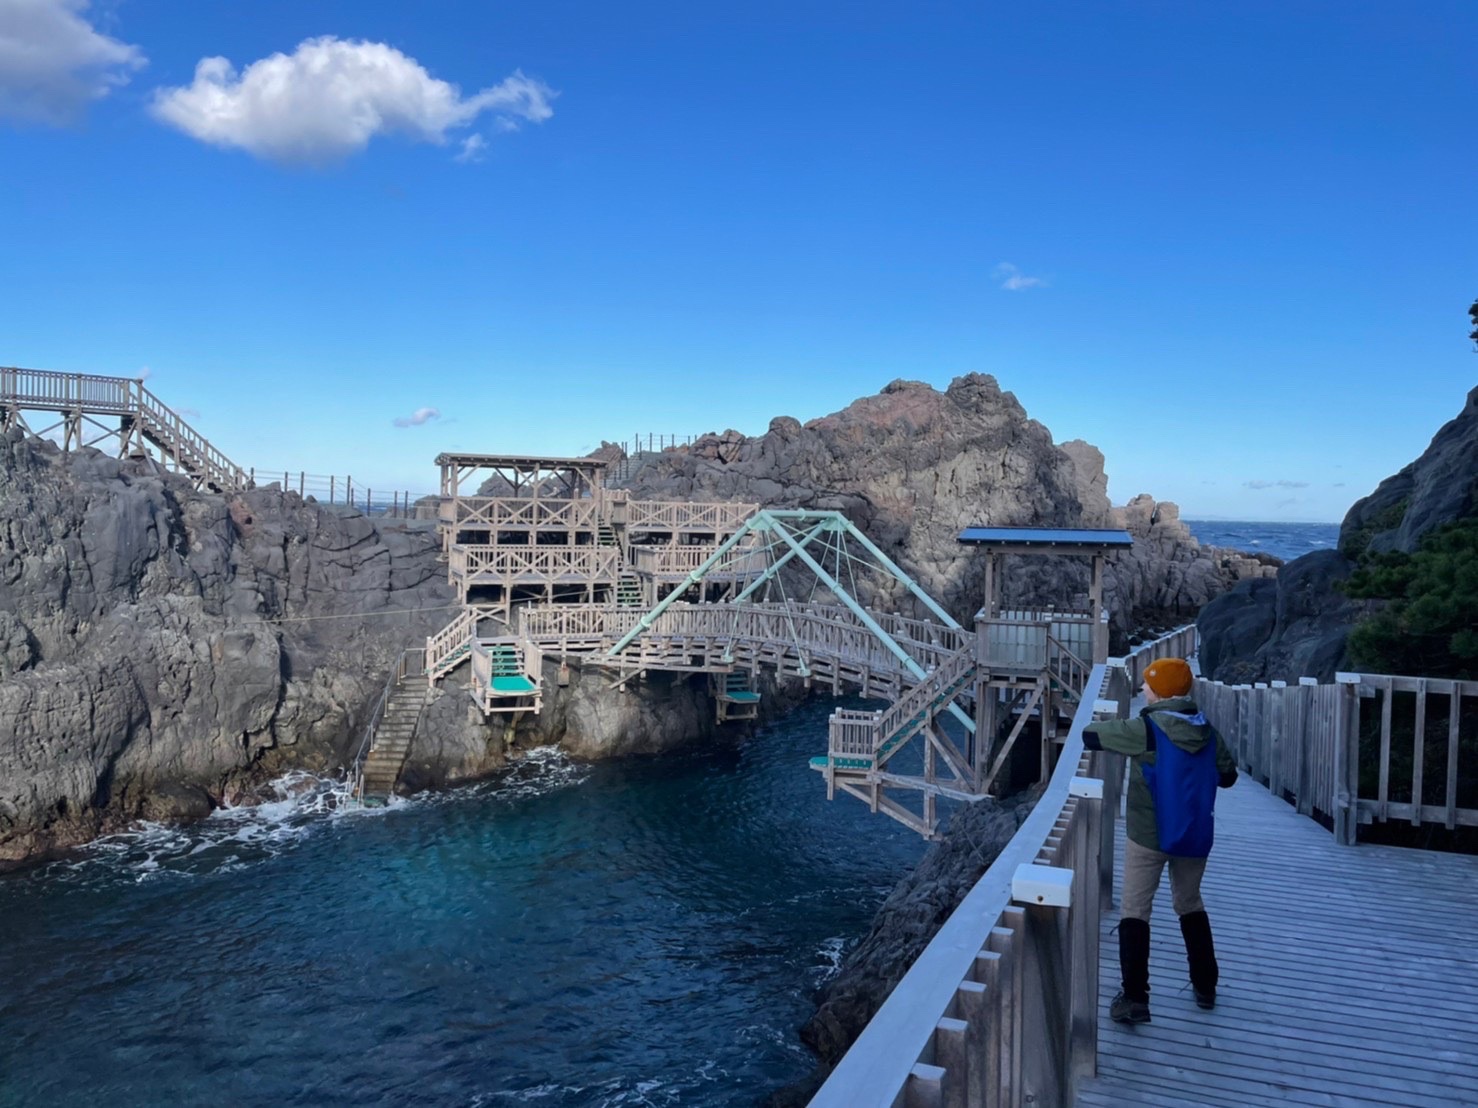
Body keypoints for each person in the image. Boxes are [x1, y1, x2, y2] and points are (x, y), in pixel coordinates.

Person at [1083, 656, 1237, 1024]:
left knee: (1136, 910)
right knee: (1189, 903)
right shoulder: (1206, 729)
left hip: (1148, 835)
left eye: (1147, 685)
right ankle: (1205, 986)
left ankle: (1135, 998)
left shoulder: (1147, 728)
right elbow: (1228, 776)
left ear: (1160, 692)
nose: (1142, 690)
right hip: (1193, 832)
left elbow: (1091, 735)